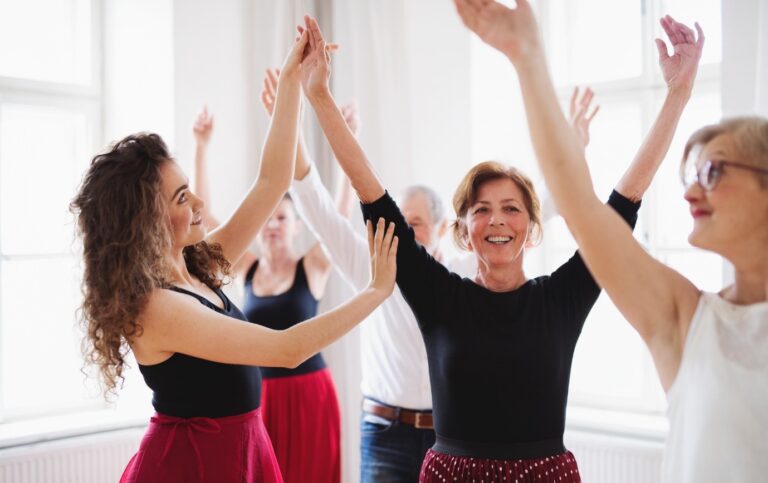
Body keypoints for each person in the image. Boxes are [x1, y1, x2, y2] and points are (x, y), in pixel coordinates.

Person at [296, 12, 700, 482]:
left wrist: (677, 95)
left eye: (511, 208)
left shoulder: (561, 298)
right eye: (482, 209)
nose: (497, 220)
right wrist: (319, 96)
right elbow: (374, 198)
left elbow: (625, 201)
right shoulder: (440, 296)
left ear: (532, 227)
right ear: (465, 230)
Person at [454, 1, 768, 482]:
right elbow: (587, 203)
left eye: (712, 170)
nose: (688, 190)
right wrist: (527, 57)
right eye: (691, 173)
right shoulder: (688, 318)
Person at [70, 28, 398, 483]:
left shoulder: (197, 265)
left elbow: (272, 180)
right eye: (183, 198)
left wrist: (291, 81)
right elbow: (287, 349)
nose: (200, 205)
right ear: (145, 222)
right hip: (194, 466)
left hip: (238, 451)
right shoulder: (156, 307)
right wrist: (376, 290)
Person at [260, 63, 596, 481]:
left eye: (414, 223)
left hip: (448, 437)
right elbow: (319, 205)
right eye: (401, 221)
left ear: (443, 230)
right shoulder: (371, 260)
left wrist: (575, 147)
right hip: (385, 431)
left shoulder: (465, 274)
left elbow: (528, 210)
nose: (402, 230)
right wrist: (294, 121)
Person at [191, 98, 352, 483]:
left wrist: (349, 139)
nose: (272, 226)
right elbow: (205, 225)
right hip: (260, 398)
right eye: (267, 219)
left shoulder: (311, 266)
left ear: (297, 226)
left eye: (282, 218)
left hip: (310, 395)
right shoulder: (246, 267)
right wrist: (200, 147)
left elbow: (339, 219)